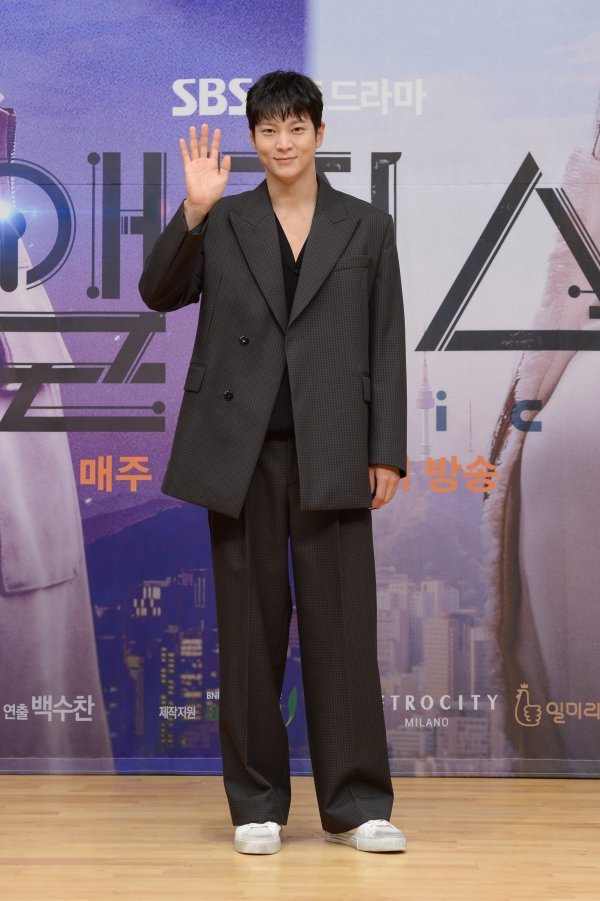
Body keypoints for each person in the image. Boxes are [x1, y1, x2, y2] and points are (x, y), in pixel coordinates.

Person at [139, 70, 407, 854]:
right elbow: (158, 291)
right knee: (248, 629)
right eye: (268, 130)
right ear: (253, 139)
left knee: (343, 630)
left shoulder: (367, 227)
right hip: (241, 450)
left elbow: (387, 339)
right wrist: (193, 210)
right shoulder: (223, 221)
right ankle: (255, 804)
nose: (283, 142)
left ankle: (357, 805)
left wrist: (386, 449)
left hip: (335, 445)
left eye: (296, 128)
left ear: (320, 133)